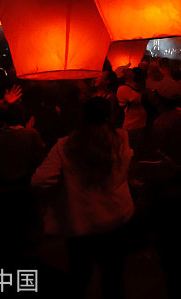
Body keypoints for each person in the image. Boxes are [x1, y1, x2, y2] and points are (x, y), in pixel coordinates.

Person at [32, 96, 134, 299]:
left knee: (79, 277)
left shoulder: (65, 146)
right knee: (114, 277)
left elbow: (39, 180)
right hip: (117, 218)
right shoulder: (121, 137)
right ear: (110, 115)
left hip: (82, 222)